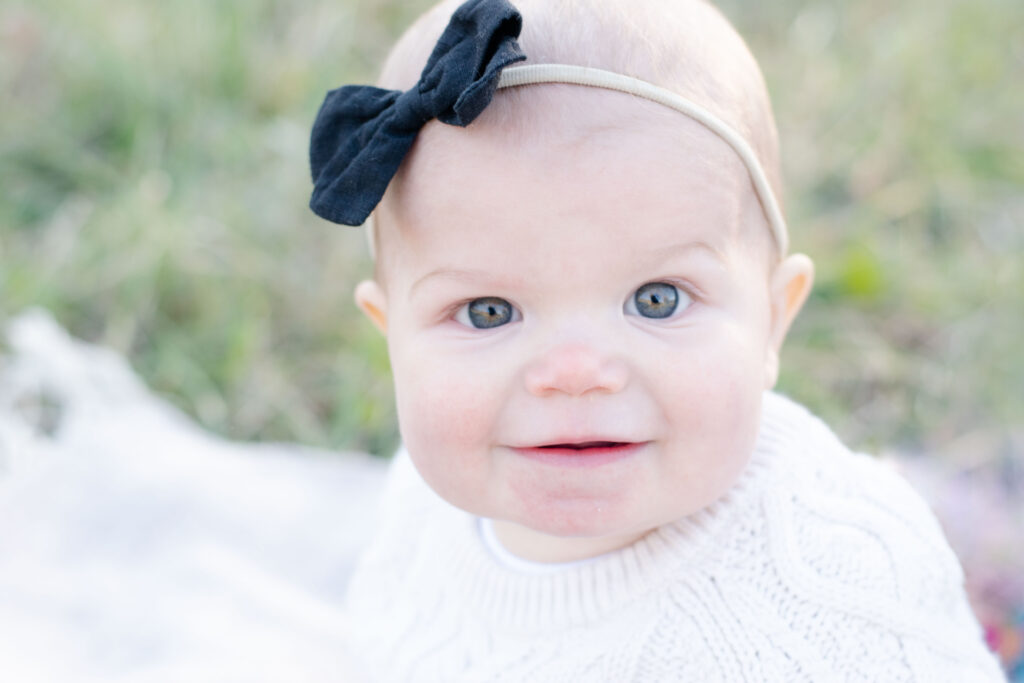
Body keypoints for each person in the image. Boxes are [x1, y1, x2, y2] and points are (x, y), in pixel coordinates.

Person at [307, 0, 1005, 679]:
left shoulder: (833, 596)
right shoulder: (421, 513)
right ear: (392, 337)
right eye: (488, 311)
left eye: (656, 300)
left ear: (773, 319)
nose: (575, 371)